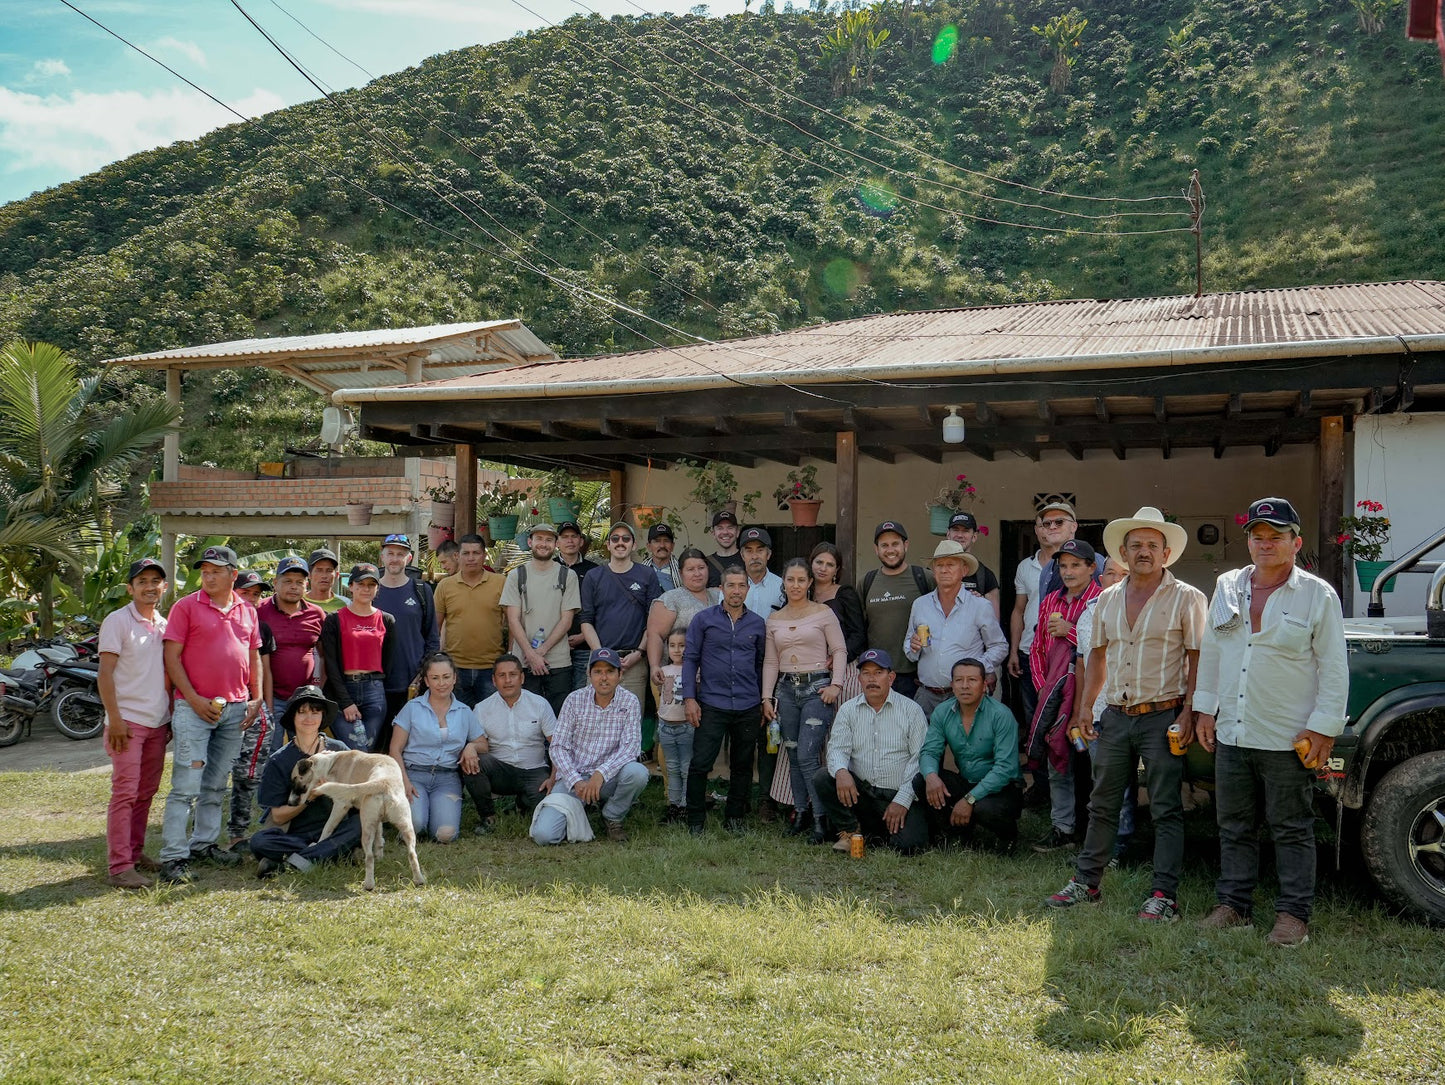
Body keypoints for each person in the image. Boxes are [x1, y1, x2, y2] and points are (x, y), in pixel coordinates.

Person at [1194, 497, 1349, 947]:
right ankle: (1233, 905)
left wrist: (1323, 727)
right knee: (1234, 824)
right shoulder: (1226, 585)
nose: (1265, 544)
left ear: (1295, 542)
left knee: (1291, 826)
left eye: (1276, 537)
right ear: (1248, 542)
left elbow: (1334, 666)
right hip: (1234, 729)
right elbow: (1214, 650)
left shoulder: (1317, 594)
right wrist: (1205, 707)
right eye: (1257, 537)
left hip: (1287, 733)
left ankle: (1292, 915)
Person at [1047, 507, 1207, 922]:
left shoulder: (1188, 598)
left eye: (1152, 545)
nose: (1144, 552)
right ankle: (1086, 882)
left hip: (1162, 714)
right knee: (1102, 803)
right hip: (1114, 715)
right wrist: (1085, 708)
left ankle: (1163, 896)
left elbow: (1199, 659)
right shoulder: (1106, 600)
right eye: (1136, 545)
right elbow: (1096, 658)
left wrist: (1190, 712)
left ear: (1166, 553)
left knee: (1165, 807)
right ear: (1122, 551)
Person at [158, 545, 262, 884]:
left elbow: (253, 656)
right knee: (186, 786)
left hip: (235, 708)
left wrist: (256, 697)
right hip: (194, 708)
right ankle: (174, 856)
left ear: (233, 574)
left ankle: (203, 844)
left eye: (217, 570)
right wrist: (192, 698)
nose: (209, 576)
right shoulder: (186, 607)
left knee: (216, 785)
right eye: (205, 570)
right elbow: (171, 658)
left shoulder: (247, 610)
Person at [761, 557, 847, 842]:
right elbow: (771, 662)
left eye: (801, 580)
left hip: (817, 687)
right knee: (794, 753)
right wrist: (766, 697)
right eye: (790, 580)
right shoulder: (774, 619)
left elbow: (840, 649)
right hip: (786, 690)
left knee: (809, 755)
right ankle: (800, 813)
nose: (795, 585)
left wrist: (836, 684)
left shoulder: (823, 612)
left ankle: (821, 820)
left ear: (810, 582)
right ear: (783, 583)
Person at [98, 557, 172, 889]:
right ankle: (119, 866)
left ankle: (135, 852)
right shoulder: (117, 621)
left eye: (155, 580)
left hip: (158, 722)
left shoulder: (164, 624)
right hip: (126, 722)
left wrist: (168, 719)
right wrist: (114, 719)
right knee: (125, 793)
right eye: (142, 581)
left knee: (145, 793)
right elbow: (105, 674)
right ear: (130, 588)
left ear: (164, 587)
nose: (149, 586)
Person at [814, 648, 929, 853]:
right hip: (864, 794)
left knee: (909, 847)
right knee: (824, 777)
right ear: (859, 678)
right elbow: (837, 748)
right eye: (866, 673)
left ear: (891, 677)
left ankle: (874, 833)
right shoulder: (848, 710)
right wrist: (841, 772)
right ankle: (850, 831)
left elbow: (919, 758)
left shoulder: (911, 710)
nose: (872, 679)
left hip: (897, 794)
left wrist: (902, 800)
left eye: (878, 673)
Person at [1028, 539, 1103, 854]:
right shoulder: (1049, 602)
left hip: (1093, 699)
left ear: (1091, 568)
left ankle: (1098, 837)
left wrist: (1071, 630)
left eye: (1076, 565)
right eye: (1063, 566)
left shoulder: (1102, 600)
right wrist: (1046, 691)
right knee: (1059, 765)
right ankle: (1063, 830)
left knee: (1097, 767)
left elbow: (1101, 649)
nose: (1069, 572)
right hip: (1056, 698)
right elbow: (1037, 650)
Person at [532, 648, 651, 844]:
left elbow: (630, 748)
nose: (604, 678)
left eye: (610, 671)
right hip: (574, 779)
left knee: (637, 773)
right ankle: (583, 806)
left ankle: (612, 815)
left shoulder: (629, 701)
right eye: (597, 672)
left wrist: (600, 774)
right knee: (544, 835)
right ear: (589, 675)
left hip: (607, 779)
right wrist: (576, 781)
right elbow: (558, 747)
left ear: (620, 675)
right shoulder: (574, 700)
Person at [683, 567, 768, 833]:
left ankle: (735, 818)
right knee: (700, 763)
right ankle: (695, 820)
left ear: (747, 589)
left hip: (747, 704)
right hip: (711, 703)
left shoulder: (757, 623)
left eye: (741, 585)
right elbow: (690, 659)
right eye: (731, 585)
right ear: (721, 588)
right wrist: (689, 698)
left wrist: (762, 699)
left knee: (742, 765)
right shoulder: (703, 620)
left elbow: (760, 663)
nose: (736, 591)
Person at [249, 686, 363, 877]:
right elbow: (278, 817)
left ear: (322, 716)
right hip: (295, 835)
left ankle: (294, 862)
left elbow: (358, 797)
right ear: (293, 717)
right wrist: (310, 796)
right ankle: (330, 854)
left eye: (315, 711)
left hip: (335, 828)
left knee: (363, 821)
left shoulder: (339, 749)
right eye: (301, 712)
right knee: (259, 841)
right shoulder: (279, 760)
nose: (308, 718)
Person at [913, 657, 1023, 852]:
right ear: (952, 685)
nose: (965, 686)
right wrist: (931, 775)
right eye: (959, 680)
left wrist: (969, 799)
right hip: (967, 780)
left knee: (984, 808)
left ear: (984, 685)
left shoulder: (1001, 714)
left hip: (1001, 788)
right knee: (922, 781)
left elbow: (1005, 769)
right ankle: (956, 836)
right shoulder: (943, 712)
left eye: (972, 680)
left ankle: (1008, 837)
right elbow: (930, 751)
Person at [1073, 556, 1135, 865]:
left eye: (1121, 573)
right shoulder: (1088, 614)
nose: (1114, 578)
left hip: (1137, 709)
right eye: (1109, 572)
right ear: (1100, 579)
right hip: (1098, 710)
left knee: (1127, 782)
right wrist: (1080, 708)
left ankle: (1125, 843)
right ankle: (1109, 848)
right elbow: (1083, 664)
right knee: (1107, 782)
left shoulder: (1144, 609)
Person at [903, 540, 1007, 719]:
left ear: (964, 570)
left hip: (965, 696)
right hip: (927, 696)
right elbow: (908, 648)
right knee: (927, 747)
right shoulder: (920, 605)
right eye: (939, 565)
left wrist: (978, 668)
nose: (944, 570)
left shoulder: (980, 606)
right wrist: (913, 646)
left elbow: (999, 646)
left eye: (951, 565)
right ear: (933, 571)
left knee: (965, 747)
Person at [390, 651, 485, 844]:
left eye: (446, 677)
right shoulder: (412, 708)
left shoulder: (464, 712)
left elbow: (484, 743)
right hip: (414, 775)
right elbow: (394, 750)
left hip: (447, 778)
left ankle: (432, 815)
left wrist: (471, 747)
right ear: (426, 680)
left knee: (445, 835)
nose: (441, 683)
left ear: (454, 678)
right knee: (415, 825)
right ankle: (417, 818)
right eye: (435, 678)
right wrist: (404, 782)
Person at [465, 653, 558, 833]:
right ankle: (488, 817)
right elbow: (481, 745)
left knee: (542, 810)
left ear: (522, 678)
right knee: (474, 762)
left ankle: (521, 804)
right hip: (501, 772)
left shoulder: (540, 704)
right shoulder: (482, 709)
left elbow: (556, 744)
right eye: (502, 675)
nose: (508, 680)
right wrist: (470, 747)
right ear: (494, 680)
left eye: (513, 674)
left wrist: (553, 778)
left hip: (534, 772)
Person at [579, 521, 661, 708]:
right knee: (595, 720)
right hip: (600, 662)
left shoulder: (647, 575)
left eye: (626, 538)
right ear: (608, 545)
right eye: (614, 538)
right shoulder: (593, 576)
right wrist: (601, 653)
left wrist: (639, 653)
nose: (620, 542)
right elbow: (586, 620)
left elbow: (654, 620)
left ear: (634, 544)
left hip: (633, 661)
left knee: (631, 722)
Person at [500, 523, 580, 715]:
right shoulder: (516, 576)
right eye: (539, 539)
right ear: (530, 542)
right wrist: (531, 655)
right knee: (527, 719)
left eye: (549, 540)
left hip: (558, 661)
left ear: (556, 544)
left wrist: (541, 652)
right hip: (524, 661)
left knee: (559, 719)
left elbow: (566, 620)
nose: (544, 544)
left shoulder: (567, 575)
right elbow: (513, 620)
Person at [319, 563, 396, 750]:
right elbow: (330, 664)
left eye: (371, 584)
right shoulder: (334, 619)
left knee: (367, 751)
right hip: (341, 689)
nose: (366, 589)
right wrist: (346, 702)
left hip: (374, 692)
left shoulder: (387, 620)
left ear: (377, 588)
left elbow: (388, 661)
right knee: (355, 749)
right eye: (360, 584)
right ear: (350, 586)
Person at [227, 568, 277, 846]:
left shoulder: (261, 627)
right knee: (212, 775)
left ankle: (238, 833)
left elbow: (265, 671)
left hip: (252, 710)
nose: (252, 600)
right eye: (246, 593)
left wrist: (266, 708)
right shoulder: (218, 621)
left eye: (257, 595)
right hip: (220, 708)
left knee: (248, 775)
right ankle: (201, 837)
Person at [861, 520, 934, 700]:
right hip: (877, 674)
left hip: (915, 675)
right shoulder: (867, 582)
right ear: (876, 549)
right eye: (884, 545)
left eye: (895, 544)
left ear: (906, 545)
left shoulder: (924, 577)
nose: (890, 550)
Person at [256, 555, 323, 745]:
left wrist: (320, 691)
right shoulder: (259, 611)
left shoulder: (316, 614)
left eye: (299, 582)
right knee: (272, 750)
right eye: (287, 581)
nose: (294, 586)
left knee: (304, 752)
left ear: (306, 584)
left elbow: (326, 656)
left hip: (304, 699)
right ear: (275, 583)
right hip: (271, 697)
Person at [434, 533, 507, 707]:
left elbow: (512, 622)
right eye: (466, 553)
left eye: (476, 553)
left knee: (490, 724)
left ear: (484, 555)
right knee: (457, 723)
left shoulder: (501, 582)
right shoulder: (445, 586)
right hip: (456, 668)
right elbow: (434, 628)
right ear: (457, 556)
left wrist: (508, 656)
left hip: (491, 667)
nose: (471, 558)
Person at [375, 533, 439, 727]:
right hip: (376, 683)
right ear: (382, 556)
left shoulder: (421, 589)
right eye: (390, 553)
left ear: (408, 558)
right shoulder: (369, 590)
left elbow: (432, 638)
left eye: (400, 554)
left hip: (412, 682)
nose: (395, 558)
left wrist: (424, 674)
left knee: (412, 739)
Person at [645, 548, 721, 687]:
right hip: (679, 677)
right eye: (690, 569)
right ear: (681, 573)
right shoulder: (670, 599)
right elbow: (655, 635)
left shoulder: (718, 596)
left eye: (701, 568)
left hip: (714, 675)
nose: (697, 573)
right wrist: (654, 665)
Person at [557, 520, 600, 689]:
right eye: (565, 537)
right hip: (555, 647)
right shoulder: (550, 568)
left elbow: (601, 607)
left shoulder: (594, 571)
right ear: (557, 542)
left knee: (583, 695)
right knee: (558, 697)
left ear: (581, 541)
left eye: (574, 536)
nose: (570, 541)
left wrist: (584, 635)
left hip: (585, 646)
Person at [656, 628, 692, 823]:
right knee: (671, 767)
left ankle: (686, 805)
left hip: (686, 727)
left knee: (686, 767)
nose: (677, 650)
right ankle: (674, 805)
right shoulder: (663, 671)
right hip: (666, 727)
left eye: (682, 645)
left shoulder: (694, 670)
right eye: (672, 646)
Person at [810, 542, 867, 665]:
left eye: (830, 565)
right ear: (811, 563)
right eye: (819, 562)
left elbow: (858, 634)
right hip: (807, 665)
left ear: (836, 570)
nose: (823, 568)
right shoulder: (803, 594)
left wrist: (839, 658)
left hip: (841, 665)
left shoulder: (845, 594)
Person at [946, 512, 1001, 619]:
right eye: (956, 530)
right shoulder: (934, 572)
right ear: (948, 534)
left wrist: (980, 603)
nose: (960, 535)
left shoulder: (985, 575)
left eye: (965, 531)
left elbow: (994, 624)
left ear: (974, 536)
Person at [738, 527, 783, 618]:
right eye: (749, 551)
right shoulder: (732, 586)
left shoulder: (781, 586)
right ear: (742, 556)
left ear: (769, 554)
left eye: (760, 550)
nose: (754, 556)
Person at [704, 509, 745, 587]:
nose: (725, 532)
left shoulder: (747, 560)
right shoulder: (706, 564)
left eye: (730, 527)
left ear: (737, 532)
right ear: (713, 533)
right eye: (720, 528)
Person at [639, 521, 682, 592]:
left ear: (672, 546)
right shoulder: (640, 571)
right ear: (649, 546)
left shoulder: (682, 570)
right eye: (657, 541)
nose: (662, 545)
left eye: (666, 541)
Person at [305, 547, 349, 613]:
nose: (324, 576)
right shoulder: (297, 602)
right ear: (309, 574)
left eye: (329, 570)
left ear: (336, 575)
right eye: (319, 570)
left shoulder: (346, 604)